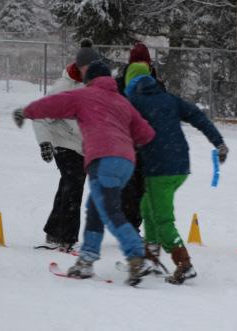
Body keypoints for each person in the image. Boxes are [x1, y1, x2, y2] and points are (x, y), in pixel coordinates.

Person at [13, 60, 156, 286]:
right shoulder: (121, 101)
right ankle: (87, 260)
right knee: (96, 209)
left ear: (90, 80)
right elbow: (146, 133)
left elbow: (54, 104)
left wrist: (27, 111)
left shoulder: (85, 95)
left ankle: (137, 257)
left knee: (110, 211)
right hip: (126, 162)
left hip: (103, 160)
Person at [126, 63, 229, 284]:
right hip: (180, 165)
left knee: (162, 218)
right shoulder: (169, 99)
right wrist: (218, 142)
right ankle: (151, 252)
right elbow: (199, 117)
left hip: (158, 169)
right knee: (147, 206)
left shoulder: (133, 102)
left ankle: (184, 264)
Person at [32, 38, 101, 252]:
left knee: (67, 185)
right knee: (74, 184)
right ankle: (68, 238)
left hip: (81, 145)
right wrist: (44, 143)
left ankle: (54, 231)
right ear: (79, 67)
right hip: (62, 142)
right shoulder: (63, 88)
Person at [115, 41, 165, 233]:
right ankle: (132, 224)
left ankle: (131, 224)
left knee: (132, 185)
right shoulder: (155, 85)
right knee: (137, 186)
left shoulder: (120, 83)